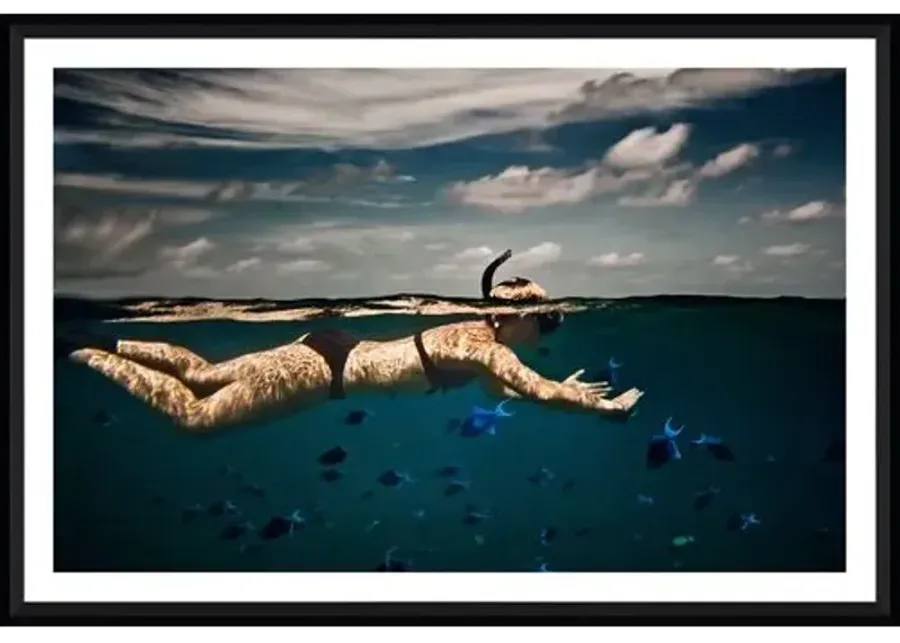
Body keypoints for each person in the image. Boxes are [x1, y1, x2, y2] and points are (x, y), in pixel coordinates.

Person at [58, 249, 644, 433]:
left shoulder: (482, 344)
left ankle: (102, 344)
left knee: (208, 374)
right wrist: (599, 407)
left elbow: (516, 390)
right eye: (545, 317)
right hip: (323, 373)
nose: (549, 325)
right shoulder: (484, 344)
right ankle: (83, 350)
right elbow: (530, 391)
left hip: (330, 350)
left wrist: (552, 388)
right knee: (194, 414)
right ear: (504, 318)